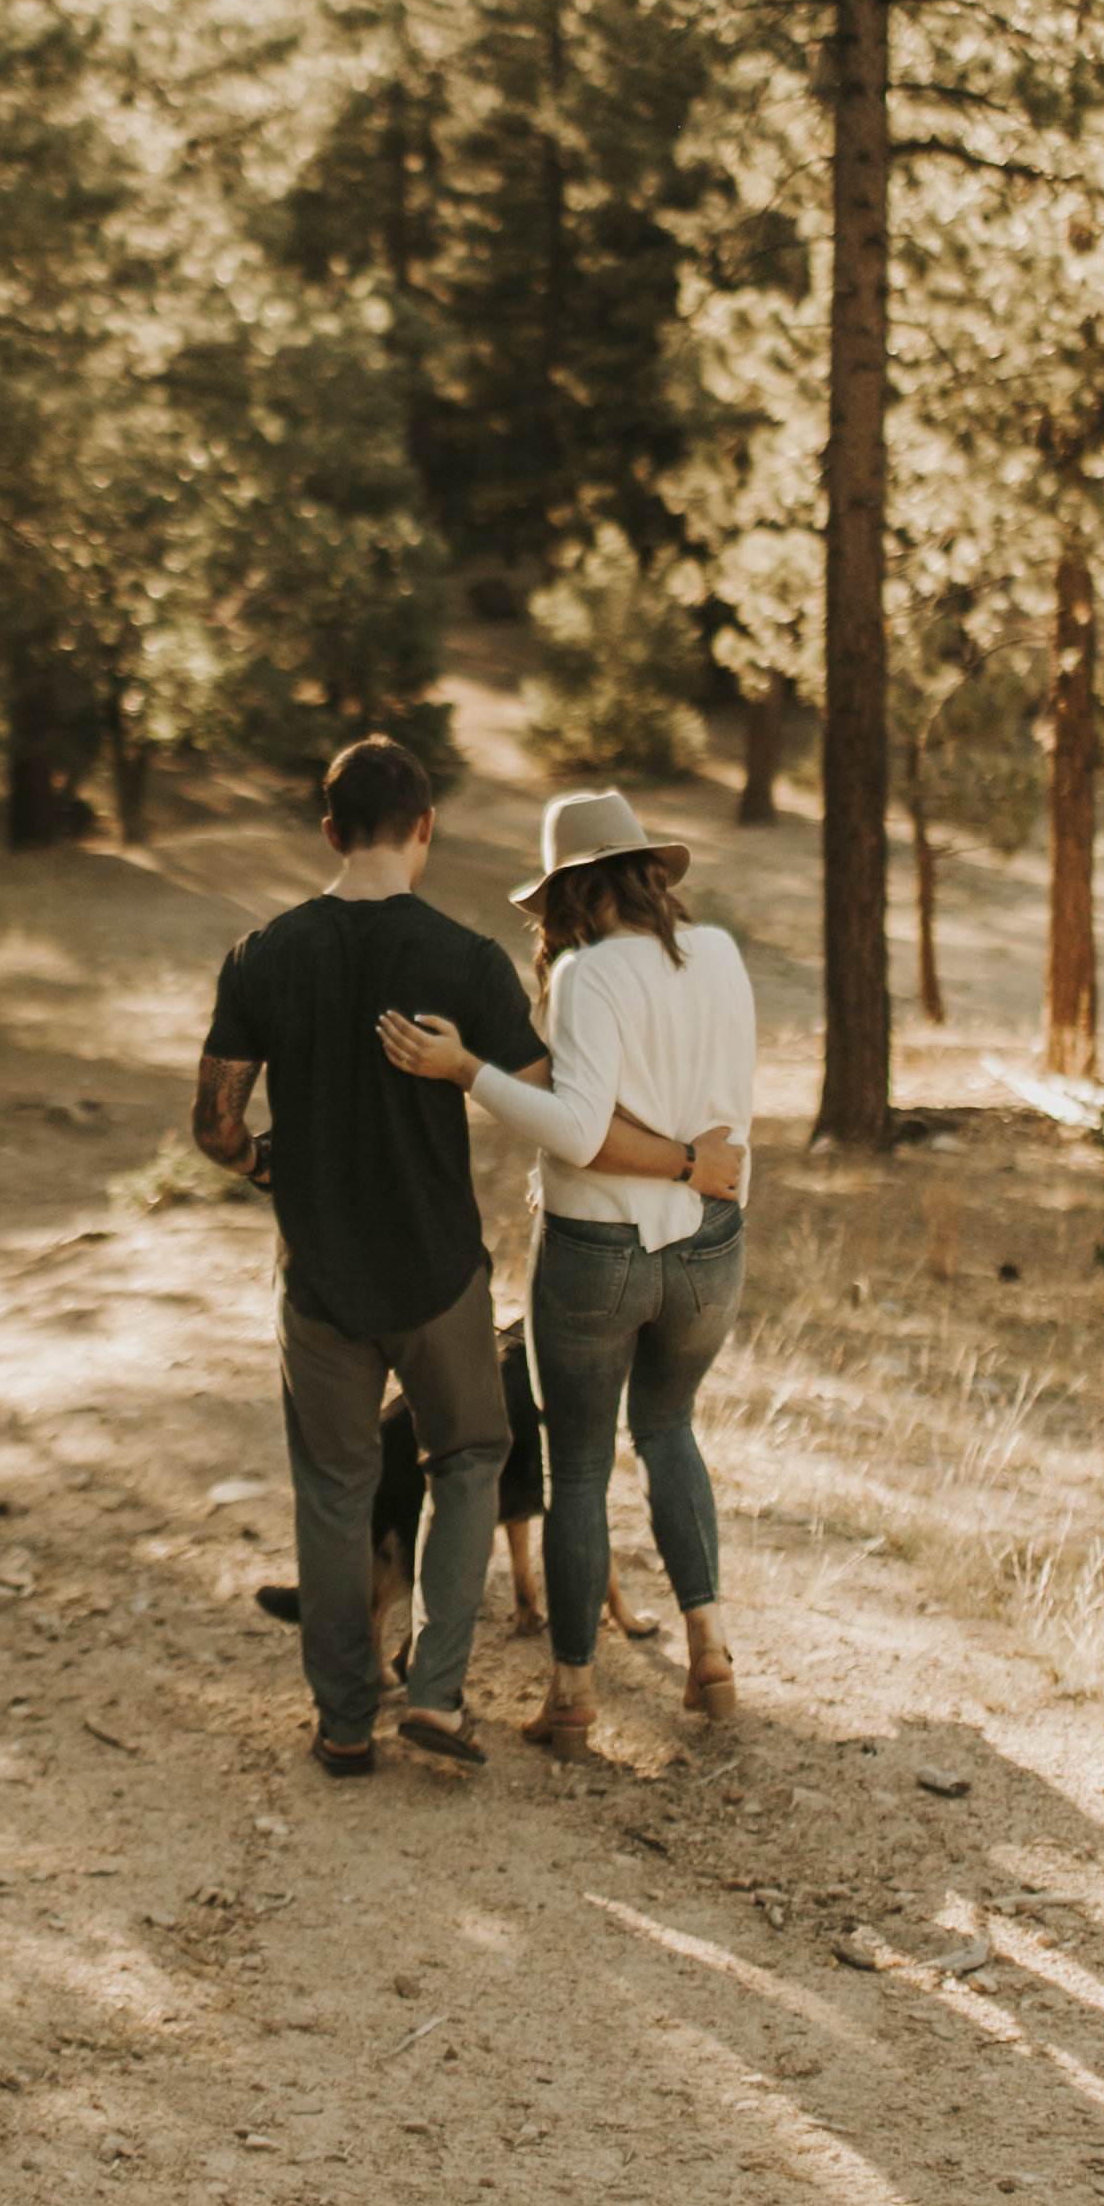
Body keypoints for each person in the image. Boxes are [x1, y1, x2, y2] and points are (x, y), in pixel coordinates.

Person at [191, 736, 740, 1779]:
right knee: (471, 1461)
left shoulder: (261, 955)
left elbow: (214, 1128)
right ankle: (437, 1693)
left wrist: (269, 1164)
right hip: (440, 1270)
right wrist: (682, 1161)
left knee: (335, 1486)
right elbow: (570, 1114)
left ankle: (345, 1718)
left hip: (318, 1278)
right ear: (426, 830)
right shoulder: (466, 961)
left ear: (326, 831)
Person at [377, 786, 756, 1760]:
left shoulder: (588, 977)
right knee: (671, 1431)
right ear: (643, 872)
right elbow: (722, 1112)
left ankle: (573, 1696)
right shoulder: (715, 953)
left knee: (578, 1468)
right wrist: (684, 1164)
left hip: (596, 1250)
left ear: (573, 892)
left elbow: (580, 1133)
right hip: (712, 1236)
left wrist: (466, 1072)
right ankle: (709, 1647)